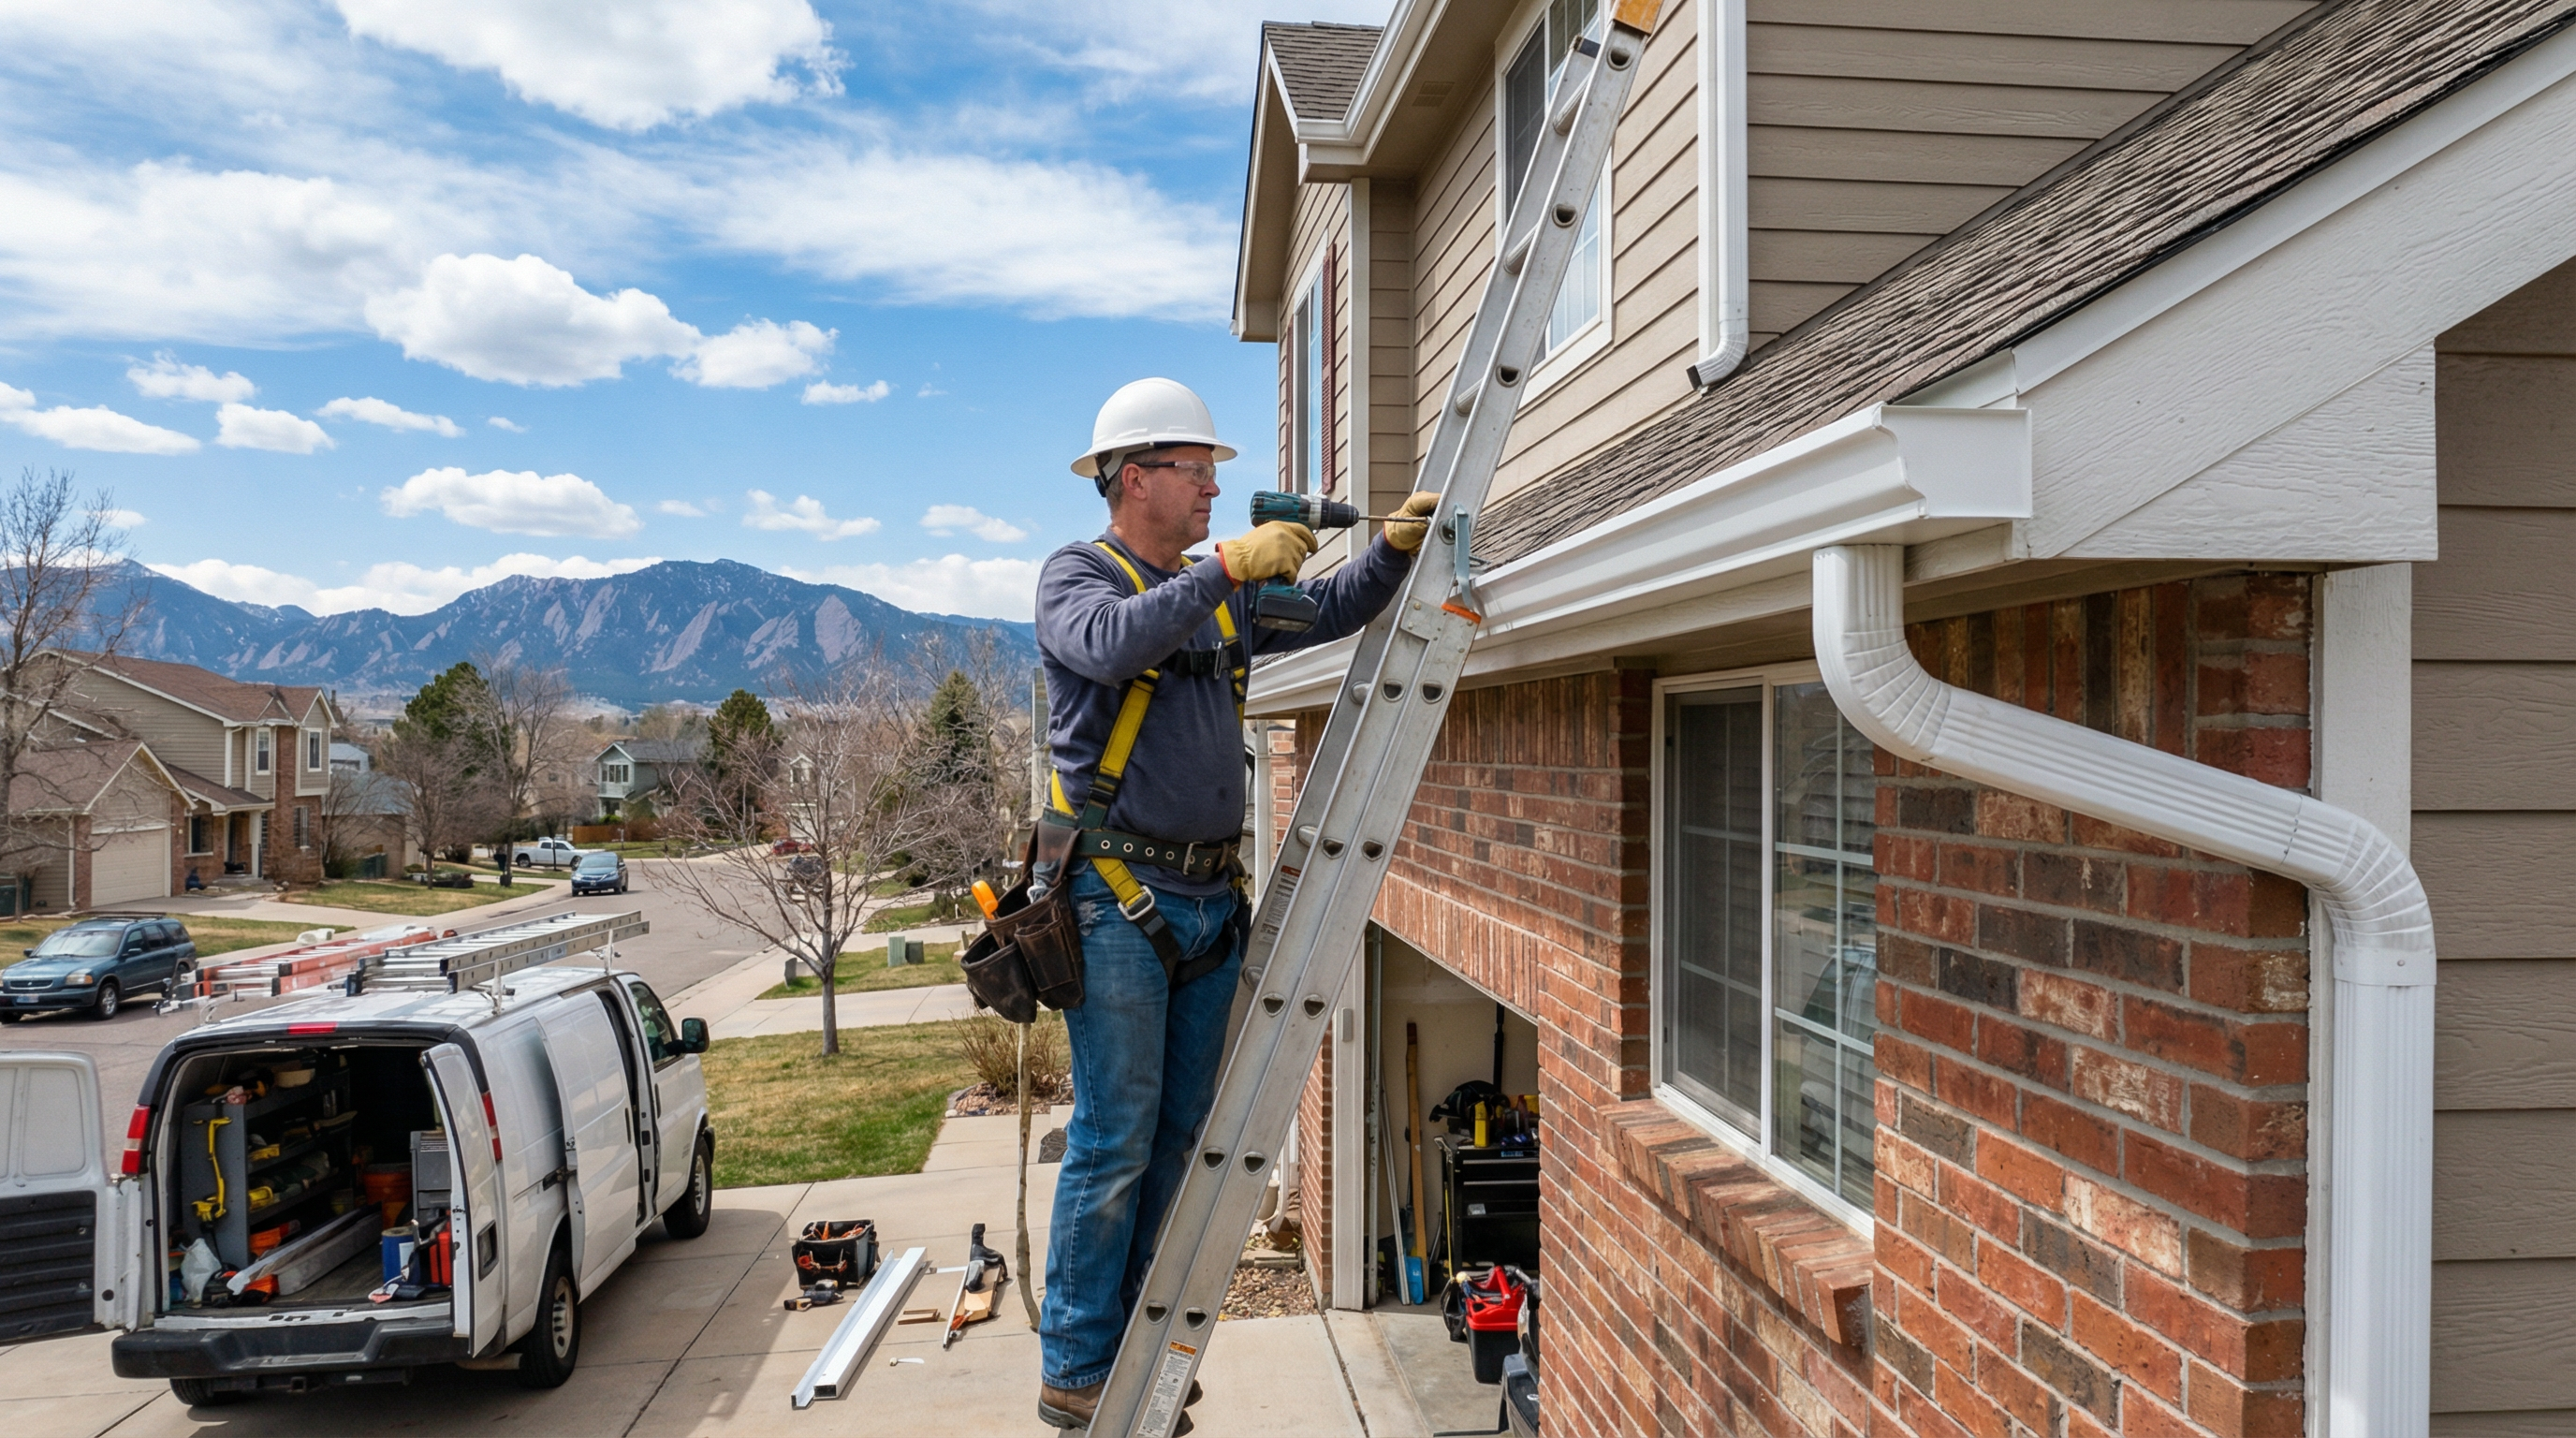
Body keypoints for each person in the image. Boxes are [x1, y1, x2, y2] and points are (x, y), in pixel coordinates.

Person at [1032, 377, 1436, 1429]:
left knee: (1180, 1139)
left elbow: (1333, 610)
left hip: (1208, 903)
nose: (1215, 487)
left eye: (1214, 473)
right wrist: (1224, 567)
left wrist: (1390, 549)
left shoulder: (1223, 596)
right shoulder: (1079, 576)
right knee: (1114, 1138)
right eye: (1196, 470)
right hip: (1116, 897)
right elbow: (1111, 645)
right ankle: (1076, 1361)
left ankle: (1135, 1339)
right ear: (1134, 478)